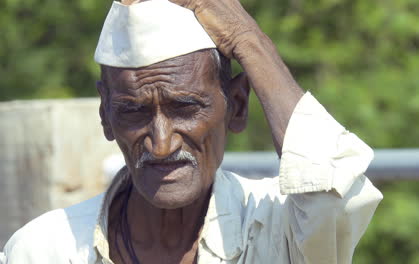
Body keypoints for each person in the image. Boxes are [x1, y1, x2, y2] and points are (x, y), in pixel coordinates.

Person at [1, 0, 383, 263]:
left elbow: (336, 201)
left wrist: (246, 39)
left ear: (236, 105)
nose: (162, 144)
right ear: (106, 115)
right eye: (133, 112)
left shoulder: (274, 226)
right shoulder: (46, 249)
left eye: (185, 108)